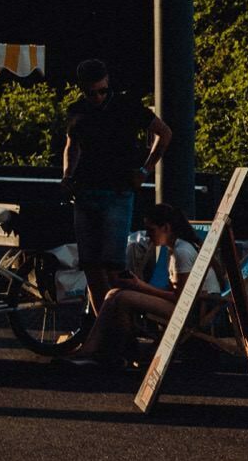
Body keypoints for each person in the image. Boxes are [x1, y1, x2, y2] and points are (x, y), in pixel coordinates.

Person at [62, 59, 173, 316]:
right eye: (92, 93)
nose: (98, 97)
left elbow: (164, 133)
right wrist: (67, 175)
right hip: (87, 191)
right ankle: (104, 325)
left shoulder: (127, 106)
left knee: (113, 267)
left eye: (102, 91)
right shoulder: (77, 111)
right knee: (91, 265)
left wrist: (145, 170)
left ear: (108, 83)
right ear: (83, 89)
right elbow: (72, 145)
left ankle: (118, 327)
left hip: (116, 192)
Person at [73, 202, 220, 366]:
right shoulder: (178, 248)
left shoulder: (182, 252)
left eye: (152, 230)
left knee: (122, 297)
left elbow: (181, 299)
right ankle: (109, 349)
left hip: (194, 310)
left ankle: (101, 349)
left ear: (166, 227)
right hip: (190, 305)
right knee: (113, 294)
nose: (148, 236)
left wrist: (140, 286)